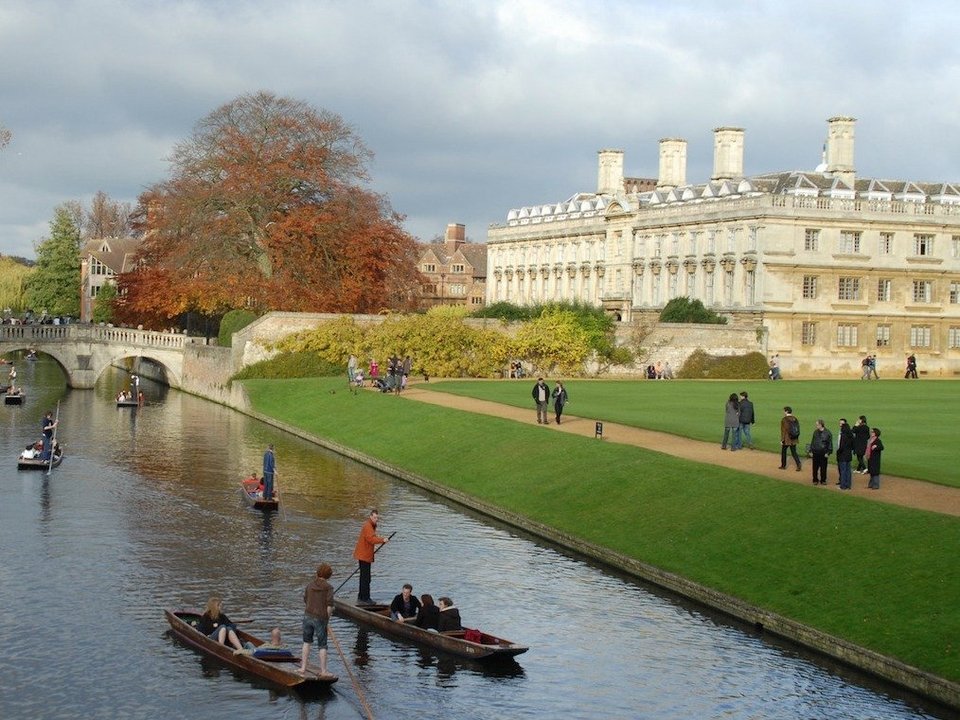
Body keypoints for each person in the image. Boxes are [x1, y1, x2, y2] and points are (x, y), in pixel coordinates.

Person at [300, 562, 335, 677]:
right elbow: (329, 606)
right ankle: (324, 671)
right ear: (328, 576)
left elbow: (305, 599)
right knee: (322, 645)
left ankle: (303, 667)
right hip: (320, 618)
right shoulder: (329, 587)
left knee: (306, 642)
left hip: (307, 616)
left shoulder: (309, 585)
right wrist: (327, 619)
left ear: (317, 573)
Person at [353, 509, 388, 604]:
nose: (376, 519)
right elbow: (371, 539)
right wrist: (382, 540)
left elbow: (371, 539)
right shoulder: (368, 526)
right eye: (375, 517)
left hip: (364, 555)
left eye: (377, 518)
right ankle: (365, 598)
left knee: (364, 577)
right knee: (366, 578)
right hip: (364, 556)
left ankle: (361, 596)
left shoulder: (370, 526)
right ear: (370, 517)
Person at [808, 419, 833, 485]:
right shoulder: (815, 432)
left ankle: (823, 480)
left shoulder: (828, 433)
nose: (816, 426)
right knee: (815, 468)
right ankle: (815, 479)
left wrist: (828, 452)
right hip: (816, 452)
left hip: (823, 453)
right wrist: (810, 450)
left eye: (817, 425)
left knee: (823, 468)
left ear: (821, 425)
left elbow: (830, 444)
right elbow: (813, 442)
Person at [779, 406, 802, 471]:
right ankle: (798, 464)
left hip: (787, 439)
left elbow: (783, 430)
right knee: (794, 452)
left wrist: (782, 439)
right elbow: (797, 429)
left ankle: (783, 465)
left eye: (784, 411)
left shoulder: (784, 419)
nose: (783, 412)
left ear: (786, 411)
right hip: (794, 438)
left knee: (784, 452)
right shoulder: (795, 419)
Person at [836, 419, 854, 490]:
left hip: (842, 455)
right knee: (848, 471)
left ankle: (843, 486)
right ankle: (848, 485)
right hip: (849, 455)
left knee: (843, 471)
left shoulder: (843, 435)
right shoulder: (851, 436)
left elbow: (841, 446)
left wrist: (838, 452)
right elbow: (853, 446)